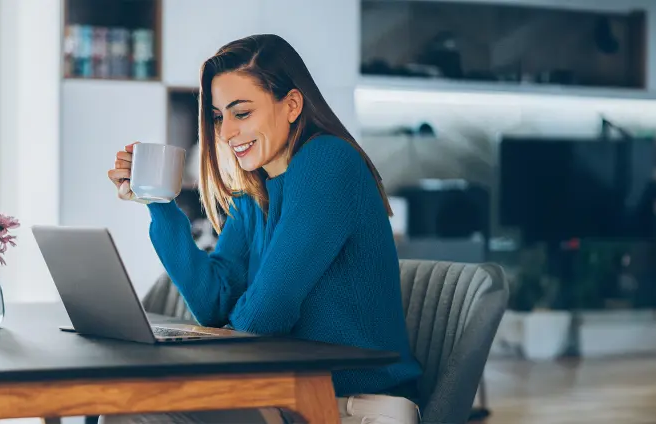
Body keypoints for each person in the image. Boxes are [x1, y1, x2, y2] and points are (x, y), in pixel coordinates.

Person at [103, 34, 423, 424]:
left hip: (356, 405)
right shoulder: (255, 190)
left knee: (134, 414)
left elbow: (268, 313)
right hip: (286, 392)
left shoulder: (328, 162)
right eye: (219, 117)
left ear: (291, 105)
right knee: (126, 410)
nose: (225, 134)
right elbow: (214, 304)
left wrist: (209, 349)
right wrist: (158, 203)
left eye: (241, 113)